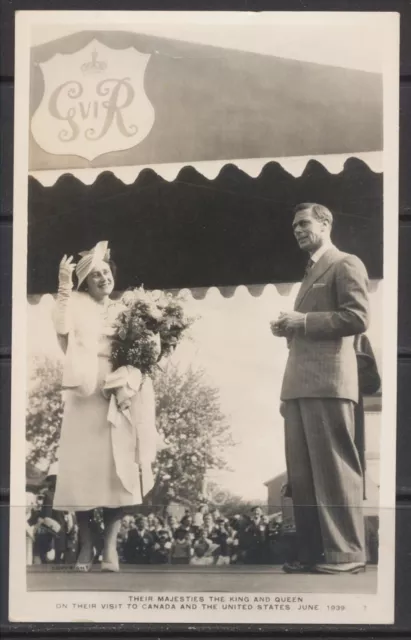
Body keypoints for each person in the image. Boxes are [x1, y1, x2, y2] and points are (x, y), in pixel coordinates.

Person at [271, 203, 369, 575]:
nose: (297, 230)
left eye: (304, 224)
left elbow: (358, 317)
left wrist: (304, 320)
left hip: (328, 382)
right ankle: (314, 553)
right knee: (303, 476)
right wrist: (290, 328)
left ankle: (347, 553)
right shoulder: (312, 271)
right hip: (300, 383)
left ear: (326, 223)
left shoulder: (345, 263)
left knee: (333, 468)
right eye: (294, 226)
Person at [52, 241, 160, 572]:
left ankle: (110, 547)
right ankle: (86, 544)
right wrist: (64, 288)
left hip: (122, 388)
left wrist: (138, 368)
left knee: (119, 467)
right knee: (84, 467)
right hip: (86, 389)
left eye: (105, 272)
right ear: (85, 282)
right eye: (95, 275)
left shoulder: (127, 308)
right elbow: (60, 328)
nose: (103, 278)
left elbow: (148, 345)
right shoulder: (76, 304)